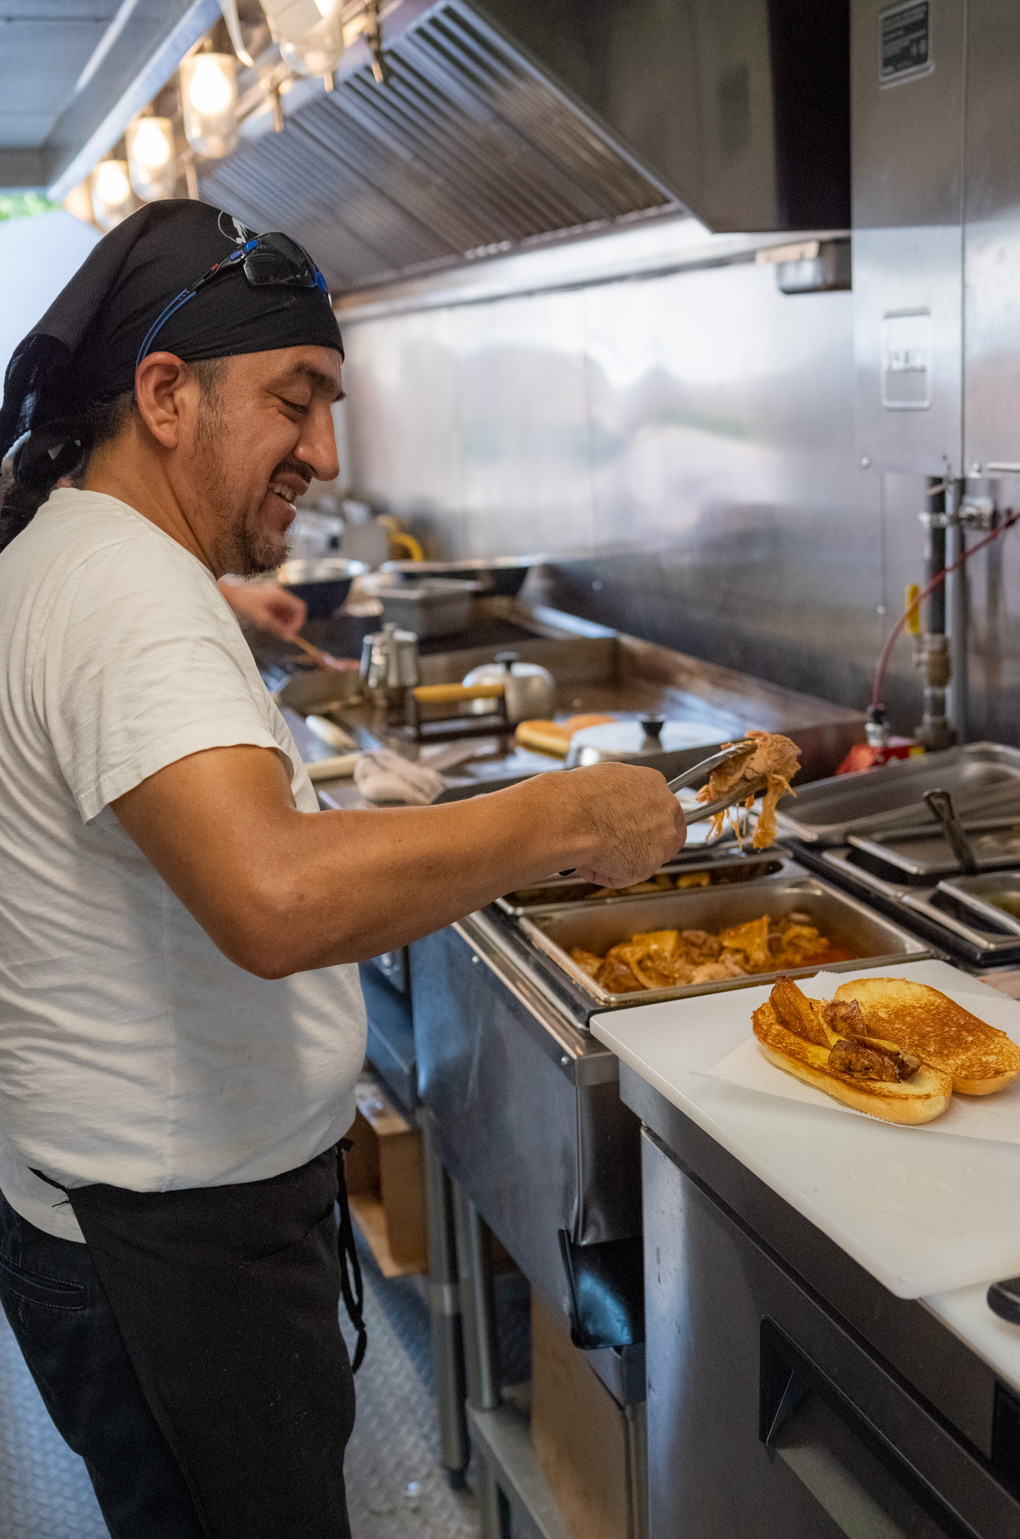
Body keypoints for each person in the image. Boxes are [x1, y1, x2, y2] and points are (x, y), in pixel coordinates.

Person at [0, 201, 684, 1539]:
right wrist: (562, 816)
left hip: (133, 1219)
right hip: (172, 1247)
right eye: (294, 398)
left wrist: (219, 614)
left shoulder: (87, 556)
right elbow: (276, 895)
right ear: (164, 395)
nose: (322, 448)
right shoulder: (126, 596)